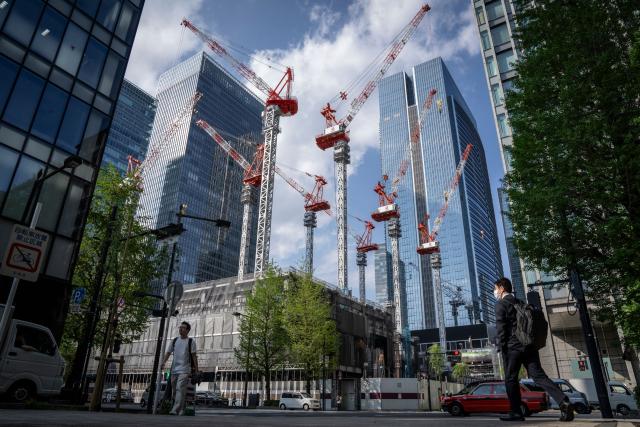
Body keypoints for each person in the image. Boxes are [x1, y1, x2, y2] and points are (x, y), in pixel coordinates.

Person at [494, 277, 574, 422]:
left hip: (512, 347)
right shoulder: (521, 303)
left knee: (511, 379)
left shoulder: (501, 304)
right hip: (529, 346)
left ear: (501, 288)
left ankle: (516, 412)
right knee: (539, 376)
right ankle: (563, 400)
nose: (495, 292)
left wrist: (501, 346)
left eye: (495, 288)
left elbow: (501, 328)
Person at [161, 321, 199, 415]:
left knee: (179, 388)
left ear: (187, 330)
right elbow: (168, 353)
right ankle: (181, 408)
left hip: (185, 370)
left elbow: (194, 356)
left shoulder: (191, 342)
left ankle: (175, 409)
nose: (180, 329)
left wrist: (196, 370)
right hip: (174, 370)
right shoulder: (174, 341)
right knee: (176, 391)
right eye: (180, 327)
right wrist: (163, 362)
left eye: (183, 328)